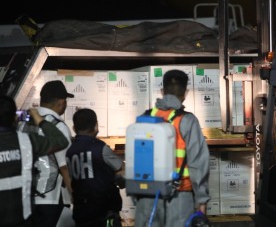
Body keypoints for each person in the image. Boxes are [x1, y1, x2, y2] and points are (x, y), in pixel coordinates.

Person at [134, 69, 210, 227]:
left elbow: (136, 160)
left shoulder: (145, 118)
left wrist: (137, 197)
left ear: (162, 91)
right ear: (186, 93)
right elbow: (198, 164)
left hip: (147, 195)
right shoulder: (188, 121)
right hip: (180, 197)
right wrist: (201, 200)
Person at [0, 95, 69, 226]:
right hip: (22, 219)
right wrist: (40, 120)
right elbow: (61, 141)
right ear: (14, 118)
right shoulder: (26, 141)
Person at [66, 108, 123, 227]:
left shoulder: (70, 151)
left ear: (74, 129)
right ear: (96, 126)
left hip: (80, 212)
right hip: (103, 213)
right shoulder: (101, 149)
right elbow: (121, 169)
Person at [33, 80, 74, 227]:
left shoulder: (23, 122)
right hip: (51, 197)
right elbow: (64, 167)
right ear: (61, 101)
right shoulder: (58, 126)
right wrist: (74, 194)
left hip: (25, 196)